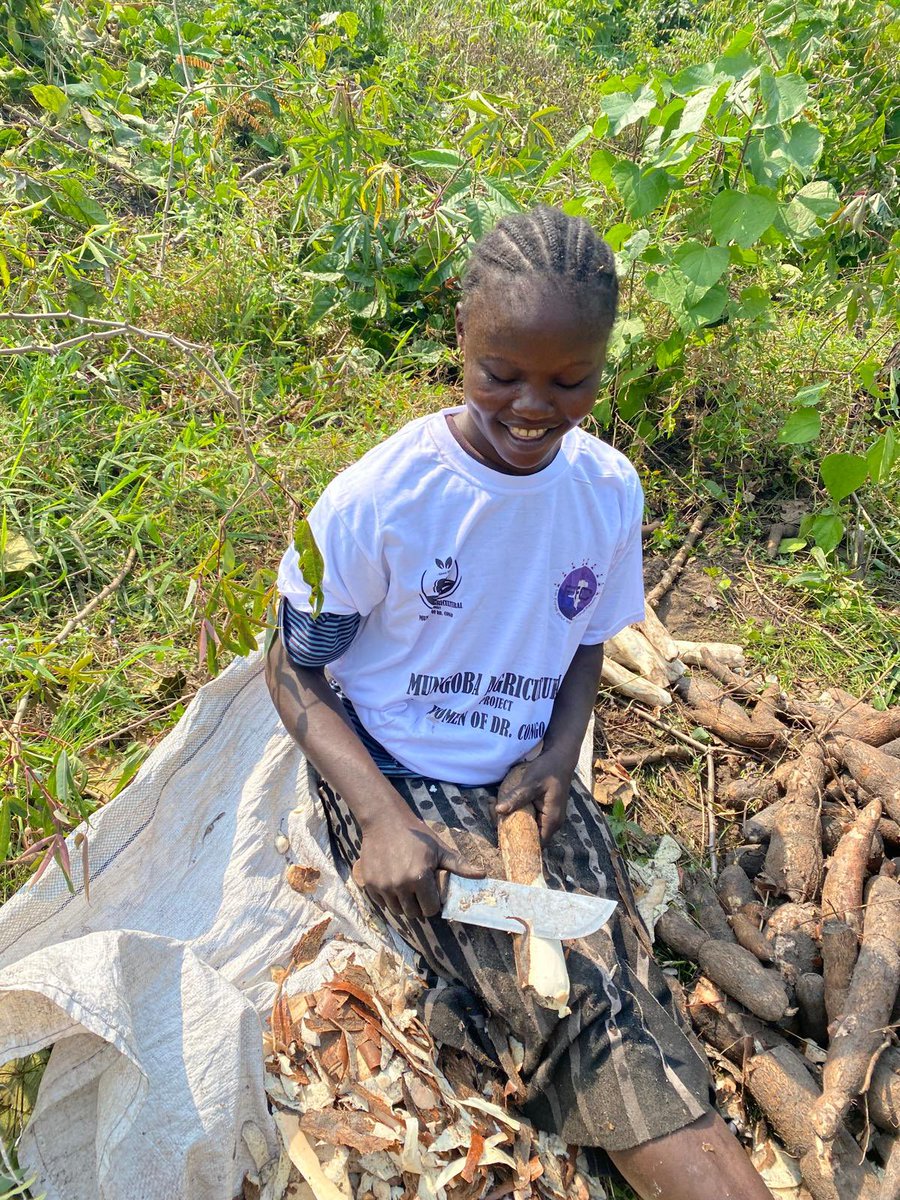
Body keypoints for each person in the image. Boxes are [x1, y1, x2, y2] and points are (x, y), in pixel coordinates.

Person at [266, 206, 772, 1200]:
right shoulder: (383, 500)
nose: (534, 407)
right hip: (399, 769)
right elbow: (291, 670)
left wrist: (558, 753)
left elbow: (586, 638)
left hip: (520, 777)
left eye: (569, 381)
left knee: (619, 974)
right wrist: (380, 817)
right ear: (461, 334)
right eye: (501, 373)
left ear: (603, 364)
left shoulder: (606, 489)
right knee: (568, 1006)